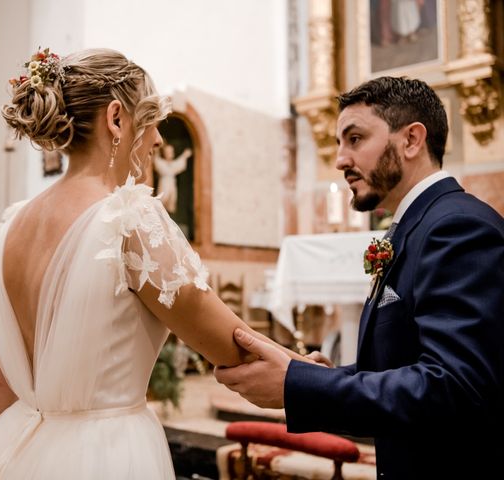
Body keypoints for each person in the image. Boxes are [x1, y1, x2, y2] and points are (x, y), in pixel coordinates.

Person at [0, 47, 310, 479]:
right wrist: (312, 375)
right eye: (151, 118)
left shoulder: (8, 228)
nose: (158, 139)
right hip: (105, 454)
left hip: (16, 451)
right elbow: (231, 344)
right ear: (117, 118)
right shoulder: (128, 217)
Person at [215, 76, 504, 479]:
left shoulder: (456, 227)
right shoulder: (414, 226)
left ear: (411, 140)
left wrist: (296, 386)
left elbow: (453, 387)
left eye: (355, 139)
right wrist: (315, 377)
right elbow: (406, 361)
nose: (339, 160)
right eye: (339, 142)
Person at [153, 142, 192, 213]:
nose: (170, 153)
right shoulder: (161, 163)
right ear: (164, 153)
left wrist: (184, 155)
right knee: (161, 204)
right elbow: (165, 169)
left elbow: (177, 165)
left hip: (171, 186)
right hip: (164, 185)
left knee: (170, 205)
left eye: (171, 152)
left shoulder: (173, 165)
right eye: (168, 152)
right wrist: (156, 152)